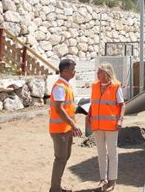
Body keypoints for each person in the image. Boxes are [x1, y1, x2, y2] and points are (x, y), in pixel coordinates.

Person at [88, 62, 125, 192]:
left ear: (106, 73)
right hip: (97, 125)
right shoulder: (94, 86)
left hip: (111, 126)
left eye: (99, 72)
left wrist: (120, 120)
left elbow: (122, 105)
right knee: (101, 153)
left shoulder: (116, 86)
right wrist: (89, 115)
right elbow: (93, 103)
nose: (97, 74)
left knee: (112, 153)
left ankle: (112, 180)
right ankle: (102, 179)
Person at [49, 59, 83, 192]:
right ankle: (55, 188)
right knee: (60, 158)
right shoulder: (60, 87)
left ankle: (57, 186)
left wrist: (71, 127)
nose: (74, 72)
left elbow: (66, 109)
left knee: (64, 157)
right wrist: (73, 125)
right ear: (65, 71)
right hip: (60, 130)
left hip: (65, 129)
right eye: (73, 70)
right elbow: (59, 109)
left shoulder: (65, 85)